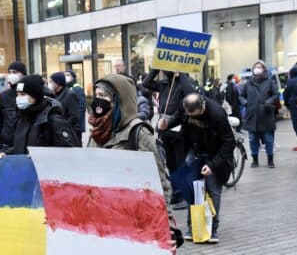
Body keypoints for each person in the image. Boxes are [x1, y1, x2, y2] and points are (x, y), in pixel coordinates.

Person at [87, 74, 172, 212]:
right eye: (96, 95)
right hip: (102, 212)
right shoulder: (97, 131)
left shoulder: (139, 133)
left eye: (103, 95)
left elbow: (159, 181)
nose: (98, 100)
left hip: (130, 214)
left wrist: (164, 217)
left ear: (119, 99)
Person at [158, 93, 235, 243]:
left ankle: (212, 230)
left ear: (203, 107)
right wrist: (166, 124)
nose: (191, 117)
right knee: (190, 188)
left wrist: (212, 165)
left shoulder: (217, 114)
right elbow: (177, 118)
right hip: (195, 151)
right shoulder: (186, 106)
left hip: (215, 155)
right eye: (189, 114)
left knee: (213, 191)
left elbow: (228, 142)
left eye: (195, 115)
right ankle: (192, 227)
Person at [143, 68, 195, 210]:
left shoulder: (185, 81)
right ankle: (176, 193)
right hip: (165, 127)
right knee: (171, 163)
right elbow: (146, 83)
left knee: (181, 163)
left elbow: (190, 94)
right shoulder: (164, 83)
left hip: (180, 127)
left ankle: (186, 195)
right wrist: (155, 68)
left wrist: (181, 73)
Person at [3, 75, 79, 156]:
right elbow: (22, 146)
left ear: (36, 96)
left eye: (23, 94)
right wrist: (7, 153)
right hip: (26, 167)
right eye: (17, 94)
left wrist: (40, 156)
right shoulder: (22, 118)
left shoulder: (53, 120)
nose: (18, 98)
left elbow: (69, 152)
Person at [239, 60, 279, 168]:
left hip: (265, 114)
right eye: (255, 67)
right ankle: (255, 159)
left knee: (268, 139)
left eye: (259, 67)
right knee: (252, 139)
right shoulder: (248, 82)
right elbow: (241, 96)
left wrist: (269, 101)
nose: (257, 68)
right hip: (252, 115)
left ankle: (270, 160)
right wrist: (245, 103)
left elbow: (276, 94)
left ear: (264, 69)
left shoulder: (270, 81)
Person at [0, 61, 26, 154]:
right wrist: (0, 147)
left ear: (24, 75)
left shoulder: (30, 94)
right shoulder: (4, 96)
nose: (11, 75)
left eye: (15, 72)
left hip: (25, 146)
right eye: (9, 72)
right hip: (7, 146)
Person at [48, 72, 81, 138]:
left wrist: (63, 128)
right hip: (57, 131)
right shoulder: (54, 94)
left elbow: (74, 116)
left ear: (57, 83)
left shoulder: (70, 95)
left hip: (66, 133)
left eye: (51, 81)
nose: (49, 84)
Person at [65, 70, 86, 144]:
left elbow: (82, 106)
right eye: (65, 75)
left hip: (76, 124)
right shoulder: (67, 88)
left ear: (73, 77)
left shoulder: (77, 88)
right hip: (71, 123)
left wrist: (77, 122)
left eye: (68, 75)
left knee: (77, 141)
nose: (66, 77)